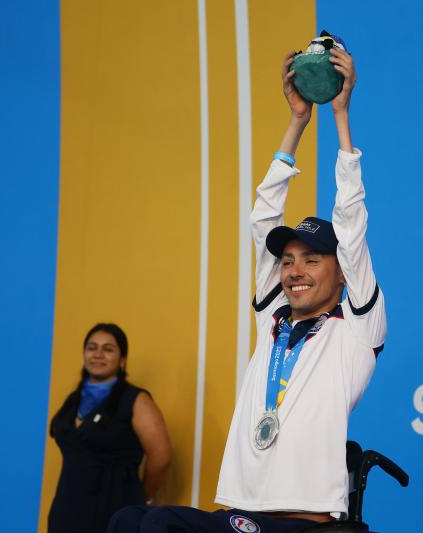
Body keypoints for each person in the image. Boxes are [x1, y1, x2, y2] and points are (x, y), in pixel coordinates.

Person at [109, 44, 385, 532]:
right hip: (243, 513)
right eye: (288, 261)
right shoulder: (273, 319)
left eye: (313, 260)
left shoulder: (356, 332)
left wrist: (340, 117)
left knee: (154, 528)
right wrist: (297, 121)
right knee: (126, 520)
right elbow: (264, 218)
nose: (295, 270)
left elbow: (351, 220)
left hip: (302, 523)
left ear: (342, 274)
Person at [48, 323, 173, 533]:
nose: (98, 354)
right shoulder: (73, 399)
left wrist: (141, 497)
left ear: (122, 359)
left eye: (108, 349)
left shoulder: (135, 400)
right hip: (66, 510)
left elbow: (161, 458)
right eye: (92, 347)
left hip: (114, 510)